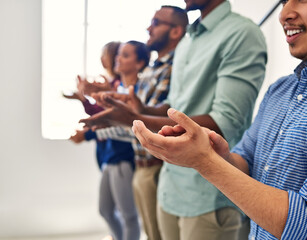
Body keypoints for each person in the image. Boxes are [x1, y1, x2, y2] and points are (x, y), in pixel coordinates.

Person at [132, 0, 307, 239]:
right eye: (284, 2)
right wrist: (211, 153)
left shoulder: (241, 34)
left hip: (205, 202)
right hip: (175, 189)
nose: (284, 14)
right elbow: (245, 161)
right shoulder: (279, 90)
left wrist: (205, 162)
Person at [80, 0, 267, 239]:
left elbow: (226, 121)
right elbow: (175, 109)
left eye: (156, 23)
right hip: (170, 186)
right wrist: (141, 108)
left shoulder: (241, 33)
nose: (150, 28)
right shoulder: (188, 41)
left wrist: (134, 118)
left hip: (207, 193)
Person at [91, 6, 188, 240]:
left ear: (175, 31)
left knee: (143, 225)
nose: (149, 27)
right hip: (140, 161)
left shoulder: (174, 68)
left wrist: (103, 125)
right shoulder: (153, 71)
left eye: (156, 23)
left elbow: (159, 117)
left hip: (153, 163)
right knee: (147, 229)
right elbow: (141, 113)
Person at [67, 40, 150, 240]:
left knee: (129, 216)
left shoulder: (138, 91)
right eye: (117, 54)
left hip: (123, 156)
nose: (116, 59)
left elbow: (127, 127)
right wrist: (87, 100)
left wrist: (88, 133)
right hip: (110, 155)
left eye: (124, 55)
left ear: (139, 63)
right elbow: (109, 120)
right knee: (105, 210)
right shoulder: (118, 88)